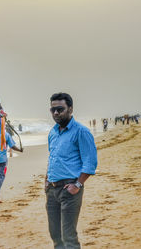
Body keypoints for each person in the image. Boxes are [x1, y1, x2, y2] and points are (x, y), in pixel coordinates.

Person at [45, 92, 97, 249]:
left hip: (70, 189)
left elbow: (90, 162)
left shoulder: (81, 131)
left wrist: (78, 185)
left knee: (68, 236)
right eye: (53, 110)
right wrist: (46, 180)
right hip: (52, 190)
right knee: (55, 234)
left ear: (70, 109)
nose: (56, 113)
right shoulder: (53, 132)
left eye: (60, 109)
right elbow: (52, 158)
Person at [0, 121, 23, 203]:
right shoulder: (6, 135)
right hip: (2, 160)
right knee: (0, 177)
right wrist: (20, 150)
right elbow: (12, 146)